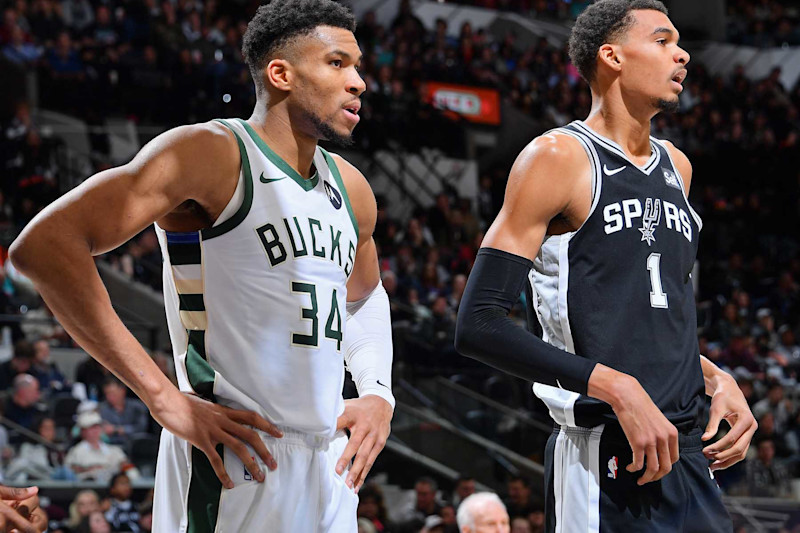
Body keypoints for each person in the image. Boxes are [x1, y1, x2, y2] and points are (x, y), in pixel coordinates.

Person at [10, 1, 395, 531]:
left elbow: (365, 295)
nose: (359, 82)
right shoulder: (212, 152)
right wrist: (162, 396)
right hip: (234, 455)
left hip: (329, 463)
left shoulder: (352, 187)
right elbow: (46, 245)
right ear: (280, 73)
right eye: (337, 64)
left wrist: (376, 389)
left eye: (358, 66)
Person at [454, 1, 757, 531]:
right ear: (612, 56)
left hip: (687, 454)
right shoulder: (557, 158)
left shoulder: (676, 168)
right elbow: (478, 322)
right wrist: (615, 387)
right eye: (663, 41)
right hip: (603, 454)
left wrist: (713, 377)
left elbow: (648, 313)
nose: (682, 54)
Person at [64, 411, 129, 484]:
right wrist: (88, 469)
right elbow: (69, 471)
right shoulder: (75, 452)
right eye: (92, 427)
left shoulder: (115, 451)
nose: (96, 430)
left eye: (98, 427)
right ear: (83, 431)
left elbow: (127, 467)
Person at [98, 378, 150, 446]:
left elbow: (141, 428)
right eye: (107, 394)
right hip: (113, 446)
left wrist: (116, 429)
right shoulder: (102, 409)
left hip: (137, 445)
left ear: (123, 391)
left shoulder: (137, 407)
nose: (110, 397)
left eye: (113, 393)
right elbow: (104, 430)